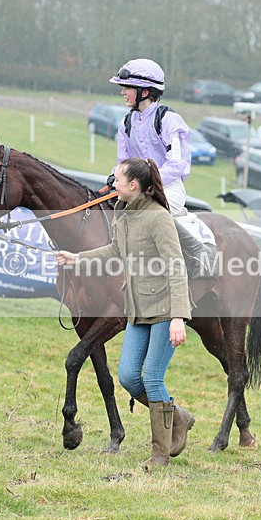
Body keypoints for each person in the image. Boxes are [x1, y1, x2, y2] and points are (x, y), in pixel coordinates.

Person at [55, 158, 194, 470]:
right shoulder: (122, 211)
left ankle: (160, 454)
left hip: (164, 308)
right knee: (130, 377)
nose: (112, 183)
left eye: (117, 179)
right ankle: (179, 416)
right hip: (136, 307)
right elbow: (114, 251)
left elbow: (176, 265)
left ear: (134, 185)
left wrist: (177, 317)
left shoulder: (159, 218)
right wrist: (76, 258)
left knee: (153, 378)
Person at [109, 58, 191, 216]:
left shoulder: (169, 120)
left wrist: (146, 182)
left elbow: (176, 165)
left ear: (144, 92)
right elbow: (123, 162)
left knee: (146, 217)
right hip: (135, 189)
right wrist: (116, 176)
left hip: (167, 189)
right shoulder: (125, 123)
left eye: (127, 87)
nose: (123, 92)